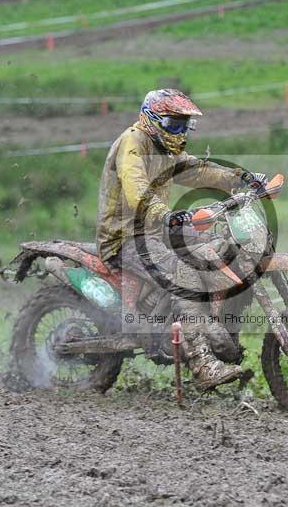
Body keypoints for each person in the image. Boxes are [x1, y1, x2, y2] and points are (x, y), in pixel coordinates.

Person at [96, 89, 267, 390]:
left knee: (218, 251)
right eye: (173, 125)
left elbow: (198, 170)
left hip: (154, 230)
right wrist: (166, 215)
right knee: (184, 273)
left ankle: (220, 335)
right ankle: (201, 364)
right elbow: (138, 191)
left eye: (184, 126)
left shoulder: (165, 149)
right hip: (125, 237)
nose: (179, 132)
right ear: (151, 119)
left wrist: (242, 178)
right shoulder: (132, 145)